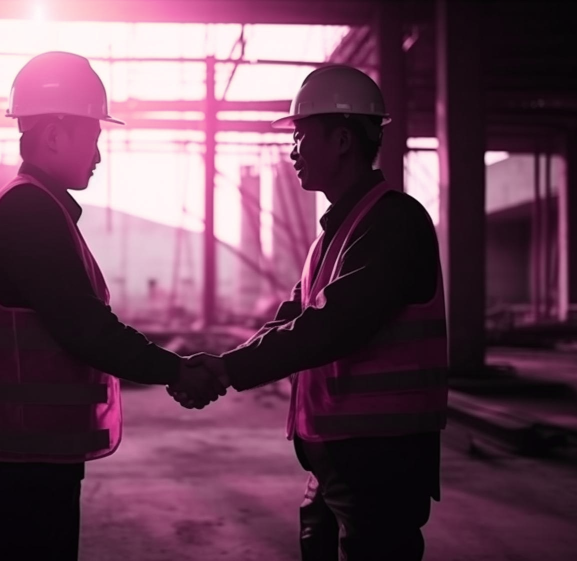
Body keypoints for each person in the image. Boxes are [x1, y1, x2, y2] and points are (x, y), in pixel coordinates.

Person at [0, 51, 228, 561]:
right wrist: (176, 370)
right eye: (93, 138)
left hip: (22, 448)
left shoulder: (39, 209)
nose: (98, 155)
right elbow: (87, 328)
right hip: (17, 452)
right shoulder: (28, 212)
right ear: (53, 135)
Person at [169, 64, 448, 561]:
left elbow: (334, 325)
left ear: (342, 140)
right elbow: (292, 318)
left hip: (381, 458)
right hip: (338, 456)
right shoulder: (335, 235)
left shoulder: (395, 223)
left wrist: (227, 370)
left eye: (300, 135)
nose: (292, 151)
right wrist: (226, 364)